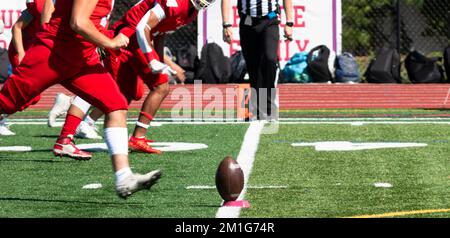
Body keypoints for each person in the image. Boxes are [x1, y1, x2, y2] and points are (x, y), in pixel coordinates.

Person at [0, 0, 161, 199]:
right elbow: (78, 22)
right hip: (54, 54)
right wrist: (108, 42)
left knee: (116, 104)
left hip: (82, 57)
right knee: (6, 103)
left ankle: (124, 177)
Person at [53, 0, 214, 157]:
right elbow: (142, 26)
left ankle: (78, 128)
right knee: (154, 86)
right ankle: (74, 132)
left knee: (127, 92)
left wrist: (158, 59)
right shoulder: (175, 3)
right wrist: (151, 59)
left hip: (133, 39)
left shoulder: (191, 12)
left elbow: (159, 33)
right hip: (125, 39)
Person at [221, 0, 293, 120]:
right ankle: (258, 110)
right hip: (247, 20)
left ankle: (269, 106)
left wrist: (289, 22)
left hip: (270, 18)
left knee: (270, 59)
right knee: (253, 66)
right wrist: (226, 24)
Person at [0, 0, 54, 136]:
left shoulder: (68, 6)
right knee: (23, 92)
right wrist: (21, 53)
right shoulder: (40, 4)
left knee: (32, 97)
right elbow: (17, 27)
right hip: (23, 50)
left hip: (37, 52)